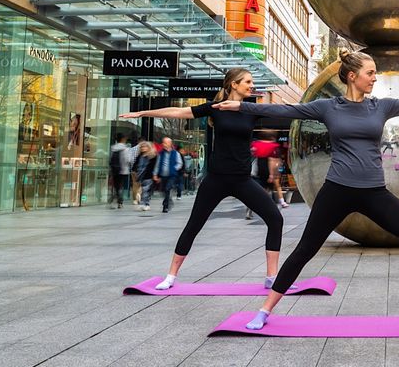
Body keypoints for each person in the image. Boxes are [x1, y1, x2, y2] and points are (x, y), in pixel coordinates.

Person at [217, 50, 399, 330]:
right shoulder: (328, 107)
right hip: (336, 191)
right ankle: (264, 311)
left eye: (374, 73)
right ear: (352, 76)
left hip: (374, 193)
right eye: (370, 73)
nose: (374, 78)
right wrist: (241, 107)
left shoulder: (380, 107)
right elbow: (283, 110)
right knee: (305, 250)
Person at [118, 68, 288, 291]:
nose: (251, 85)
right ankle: (171, 276)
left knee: (275, 219)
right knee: (194, 225)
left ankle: (271, 277)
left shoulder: (251, 109)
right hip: (216, 180)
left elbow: (287, 110)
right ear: (233, 85)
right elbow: (177, 112)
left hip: (242, 180)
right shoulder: (215, 109)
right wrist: (143, 113)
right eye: (247, 81)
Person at [153, 138, 183, 213]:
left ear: (170, 144)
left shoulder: (175, 153)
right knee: (163, 190)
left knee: (167, 189)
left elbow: (180, 163)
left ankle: (165, 206)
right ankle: (168, 201)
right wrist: (155, 174)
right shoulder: (160, 153)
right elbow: (157, 164)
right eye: (163, 143)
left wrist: (174, 169)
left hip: (171, 175)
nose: (164, 144)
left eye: (166, 143)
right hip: (163, 175)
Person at [108, 133, 132, 209]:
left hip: (115, 170)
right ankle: (119, 201)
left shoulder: (113, 147)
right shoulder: (126, 148)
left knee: (116, 186)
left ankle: (115, 199)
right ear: (123, 139)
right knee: (120, 186)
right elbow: (128, 160)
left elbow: (110, 159)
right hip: (123, 170)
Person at [135, 141, 158, 212]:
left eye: (145, 146)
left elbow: (155, 166)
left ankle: (143, 204)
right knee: (146, 191)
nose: (143, 148)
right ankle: (146, 204)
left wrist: (155, 174)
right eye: (142, 147)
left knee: (145, 190)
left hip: (149, 176)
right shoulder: (140, 156)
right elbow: (135, 165)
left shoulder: (152, 156)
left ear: (149, 148)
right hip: (141, 176)